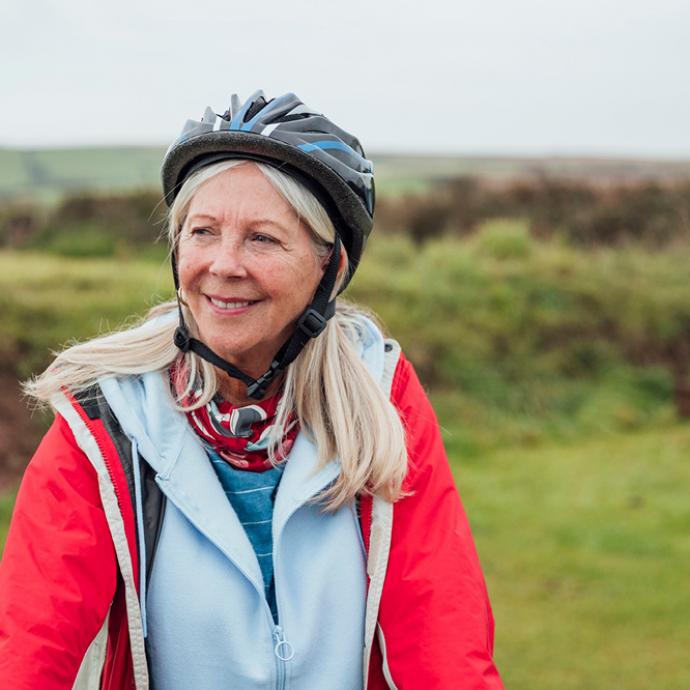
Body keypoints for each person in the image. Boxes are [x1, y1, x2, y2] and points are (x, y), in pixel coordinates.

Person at [0, 90, 504, 689]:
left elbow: (444, 642)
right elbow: (29, 651)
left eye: (262, 238)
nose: (223, 265)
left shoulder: (380, 398)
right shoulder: (106, 419)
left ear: (331, 269)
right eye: (203, 232)